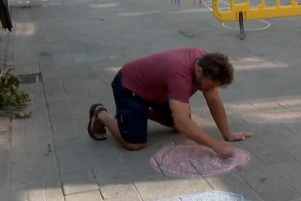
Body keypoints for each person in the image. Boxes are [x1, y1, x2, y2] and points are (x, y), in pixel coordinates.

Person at [86, 48, 252, 158]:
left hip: (156, 91)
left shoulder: (209, 64)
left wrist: (227, 134)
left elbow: (213, 100)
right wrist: (215, 145)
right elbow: (182, 123)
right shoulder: (180, 76)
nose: (209, 90)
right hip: (129, 87)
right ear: (199, 70)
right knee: (135, 144)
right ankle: (101, 115)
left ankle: (137, 114)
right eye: (209, 85)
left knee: (176, 123)